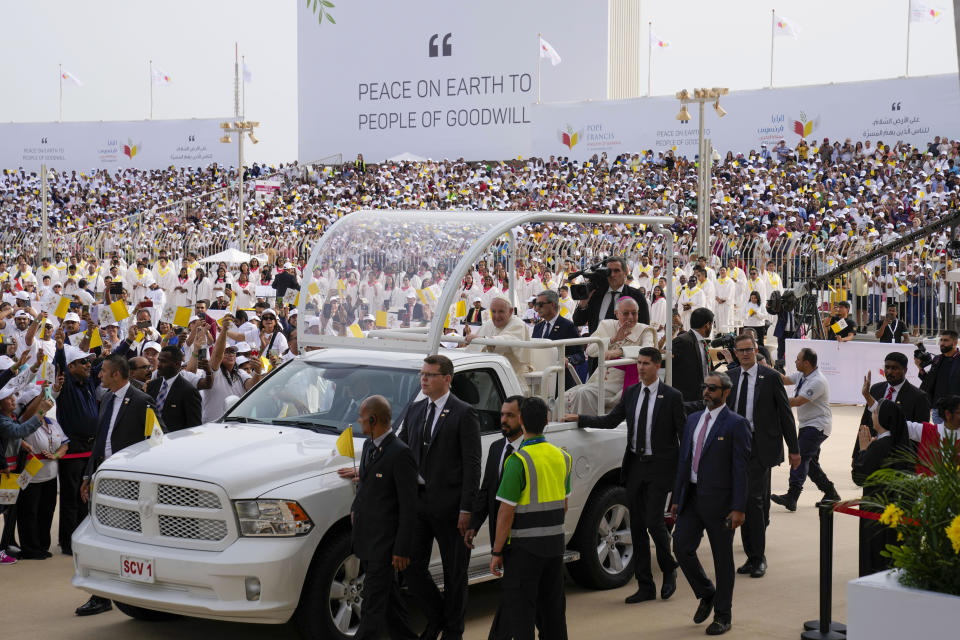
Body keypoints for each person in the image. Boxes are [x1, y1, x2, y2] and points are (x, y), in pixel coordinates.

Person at [565, 347, 684, 604]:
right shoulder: (631, 393)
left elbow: (682, 436)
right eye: (639, 363)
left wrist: (682, 474)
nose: (640, 368)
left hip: (660, 469)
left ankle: (669, 568)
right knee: (638, 526)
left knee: (654, 522)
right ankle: (645, 585)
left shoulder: (671, 397)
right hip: (636, 467)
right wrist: (581, 419)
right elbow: (610, 421)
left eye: (646, 364)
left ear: (656, 366)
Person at [397, 354, 481, 640]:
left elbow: (472, 464)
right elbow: (403, 454)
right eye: (422, 374)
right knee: (410, 566)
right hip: (419, 504)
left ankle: (453, 631)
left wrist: (466, 508)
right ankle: (437, 618)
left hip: (451, 506)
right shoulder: (415, 409)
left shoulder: (463, 412)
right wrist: (367, 471)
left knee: (454, 572)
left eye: (430, 375)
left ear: (447, 379)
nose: (424, 379)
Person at [76, 354, 163, 616]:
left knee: (126, 539)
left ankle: (129, 592)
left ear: (116, 374)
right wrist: (87, 477)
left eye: (103, 371)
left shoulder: (141, 401)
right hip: (103, 479)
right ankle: (101, 594)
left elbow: (157, 441)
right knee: (101, 536)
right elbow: (100, 442)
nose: (98, 375)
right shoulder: (106, 400)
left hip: (129, 482)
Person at [670, 372, 751, 636]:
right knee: (681, 548)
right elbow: (684, 461)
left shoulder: (736, 424)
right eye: (704, 387)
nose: (706, 392)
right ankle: (707, 592)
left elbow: (741, 469)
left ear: (726, 393)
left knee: (722, 561)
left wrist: (738, 508)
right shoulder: (693, 420)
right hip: (691, 498)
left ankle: (723, 616)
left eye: (712, 389)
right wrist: (676, 498)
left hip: (721, 503)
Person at [488, 397, 571, 640]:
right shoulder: (563, 457)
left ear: (521, 422)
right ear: (547, 422)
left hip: (524, 551)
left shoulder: (518, 461)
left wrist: (496, 551)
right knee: (554, 613)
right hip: (555, 548)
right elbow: (563, 505)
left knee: (522, 615)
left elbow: (505, 513)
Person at [725, 333, 799, 578]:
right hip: (733, 446)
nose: (745, 354)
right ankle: (748, 555)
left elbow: (786, 414)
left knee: (754, 502)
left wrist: (794, 449)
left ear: (756, 350)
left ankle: (758, 558)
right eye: (741, 350)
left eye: (749, 350)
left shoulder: (770, 377)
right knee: (737, 500)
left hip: (759, 446)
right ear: (735, 353)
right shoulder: (731, 377)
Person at [350, 395, 418, 640]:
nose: (358, 421)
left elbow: (409, 506)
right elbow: (365, 485)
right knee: (390, 603)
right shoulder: (369, 446)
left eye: (361, 417)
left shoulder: (400, 454)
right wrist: (355, 507)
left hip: (386, 545)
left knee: (373, 604)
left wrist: (401, 548)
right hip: (368, 539)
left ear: (373, 419)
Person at [771, 348, 840, 511]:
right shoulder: (803, 375)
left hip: (817, 426)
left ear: (807, 363)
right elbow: (785, 379)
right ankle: (831, 493)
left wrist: (774, 401)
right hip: (807, 424)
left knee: (800, 457)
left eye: (798, 359)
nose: (795, 362)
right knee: (811, 463)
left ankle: (792, 496)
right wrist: (765, 368)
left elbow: (797, 401)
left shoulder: (817, 381)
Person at [52, 339, 103, 557]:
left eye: (88, 363)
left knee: (86, 497)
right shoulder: (66, 384)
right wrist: (61, 349)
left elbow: (104, 363)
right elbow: (59, 364)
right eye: (82, 363)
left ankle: (83, 539)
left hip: (90, 449)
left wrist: (128, 340)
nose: (88, 365)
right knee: (71, 498)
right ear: (71, 367)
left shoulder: (89, 383)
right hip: (73, 449)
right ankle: (68, 542)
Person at [852, 400, 913, 576]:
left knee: (874, 556)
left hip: (875, 509)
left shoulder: (879, 446)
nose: (872, 415)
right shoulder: (901, 444)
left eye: (876, 412)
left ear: (883, 418)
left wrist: (863, 451)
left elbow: (859, 477)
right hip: (895, 510)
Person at [565, 297, 656, 414]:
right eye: (626, 313)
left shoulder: (645, 330)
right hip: (599, 378)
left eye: (634, 313)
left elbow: (649, 350)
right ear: (616, 313)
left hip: (621, 382)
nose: (631, 317)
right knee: (563, 399)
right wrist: (613, 340)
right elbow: (590, 350)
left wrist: (621, 351)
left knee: (583, 394)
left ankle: (587, 426)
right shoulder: (607, 325)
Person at [465, 395, 525, 552]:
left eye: (510, 415)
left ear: (522, 418)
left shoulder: (529, 451)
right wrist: (474, 525)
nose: (503, 420)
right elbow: (487, 490)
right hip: (498, 533)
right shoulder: (496, 448)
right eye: (502, 414)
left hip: (522, 537)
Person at [572, 256, 650, 340]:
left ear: (625, 273)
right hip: (596, 347)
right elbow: (578, 321)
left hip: (622, 349)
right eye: (609, 271)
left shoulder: (636, 296)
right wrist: (583, 303)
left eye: (616, 271)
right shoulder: (596, 294)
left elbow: (644, 326)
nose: (612, 275)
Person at [465, 296, 532, 391]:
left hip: (511, 375)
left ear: (510, 311)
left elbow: (506, 342)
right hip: (489, 372)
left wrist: (484, 339)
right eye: (493, 311)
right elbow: (474, 347)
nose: (496, 316)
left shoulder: (518, 324)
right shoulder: (489, 323)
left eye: (501, 311)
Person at [858, 353, 930, 435]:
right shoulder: (875, 389)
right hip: (873, 445)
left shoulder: (919, 397)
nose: (889, 372)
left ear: (905, 370)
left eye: (894, 368)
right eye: (887, 367)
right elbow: (865, 422)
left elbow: (922, 432)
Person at [532, 289, 586, 388]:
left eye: (540, 304)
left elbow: (580, 355)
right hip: (541, 380)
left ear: (552, 304)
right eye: (536, 304)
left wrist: (568, 359)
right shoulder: (537, 327)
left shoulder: (568, 326)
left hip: (560, 383)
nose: (536, 308)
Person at [146, 345, 203, 432]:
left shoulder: (189, 391)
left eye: (163, 362)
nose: (159, 365)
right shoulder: (152, 385)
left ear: (177, 364)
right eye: (159, 361)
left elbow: (194, 426)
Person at [672, 308, 715, 402]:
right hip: (687, 400)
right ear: (708, 325)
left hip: (702, 397)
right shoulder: (682, 341)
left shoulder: (702, 342)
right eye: (712, 324)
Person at [916, 330, 960, 424]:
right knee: (940, 438)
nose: (942, 343)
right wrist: (920, 368)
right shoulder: (937, 359)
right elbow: (929, 382)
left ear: (955, 342)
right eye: (941, 340)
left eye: (946, 340)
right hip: (938, 409)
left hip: (956, 409)